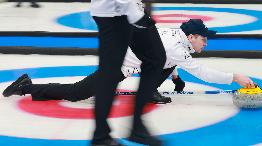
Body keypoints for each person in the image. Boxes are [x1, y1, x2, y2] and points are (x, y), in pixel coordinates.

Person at [2, 18, 254, 145]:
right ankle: (27, 85)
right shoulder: (179, 47)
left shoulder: (175, 39)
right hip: (117, 66)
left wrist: (175, 76)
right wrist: (236, 77)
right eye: (204, 39)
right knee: (77, 93)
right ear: (192, 36)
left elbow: (166, 58)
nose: (206, 43)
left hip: (127, 57)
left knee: (164, 66)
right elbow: (202, 72)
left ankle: (151, 88)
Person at [6, 0, 167, 146]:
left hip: (127, 9)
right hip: (117, 11)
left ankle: (130, 129)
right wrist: (132, 10)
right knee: (100, 78)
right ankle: (102, 136)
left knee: (155, 58)